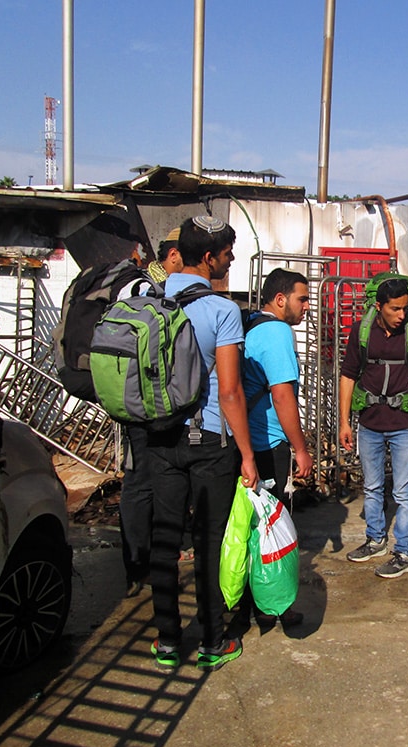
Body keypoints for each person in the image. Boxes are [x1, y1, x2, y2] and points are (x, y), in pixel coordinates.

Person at [147, 214, 258, 673]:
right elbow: (229, 391)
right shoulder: (222, 310)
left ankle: (168, 641)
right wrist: (247, 455)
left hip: (157, 437)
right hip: (208, 439)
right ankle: (213, 640)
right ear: (209, 257)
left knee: (164, 540)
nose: (231, 261)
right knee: (209, 542)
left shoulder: (147, 298)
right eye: (228, 253)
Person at [339, 275, 408, 579]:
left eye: (405, 309)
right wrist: (344, 421)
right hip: (369, 423)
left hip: (405, 424)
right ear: (378, 306)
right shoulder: (361, 331)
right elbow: (348, 375)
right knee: (372, 486)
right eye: (395, 309)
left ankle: (404, 553)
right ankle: (376, 539)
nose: (401, 315)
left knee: (404, 491)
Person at [240, 267, 314, 627]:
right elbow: (283, 396)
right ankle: (273, 606)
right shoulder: (277, 331)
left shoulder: (252, 327)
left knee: (249, 527)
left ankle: (248, 605)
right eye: (302, 299)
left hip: (246, 447)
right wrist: (301, 448)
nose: (306, 307)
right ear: (280, 299)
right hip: (268, 446)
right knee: (272, 531)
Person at [121, 227, 189, 598]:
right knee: (142, 482)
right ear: (175, 255)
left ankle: (144, 563)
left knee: (144, 480)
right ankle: (139, 566)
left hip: (140, 399)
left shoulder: (143, 285)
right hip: (146, 403)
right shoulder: (150, 289)